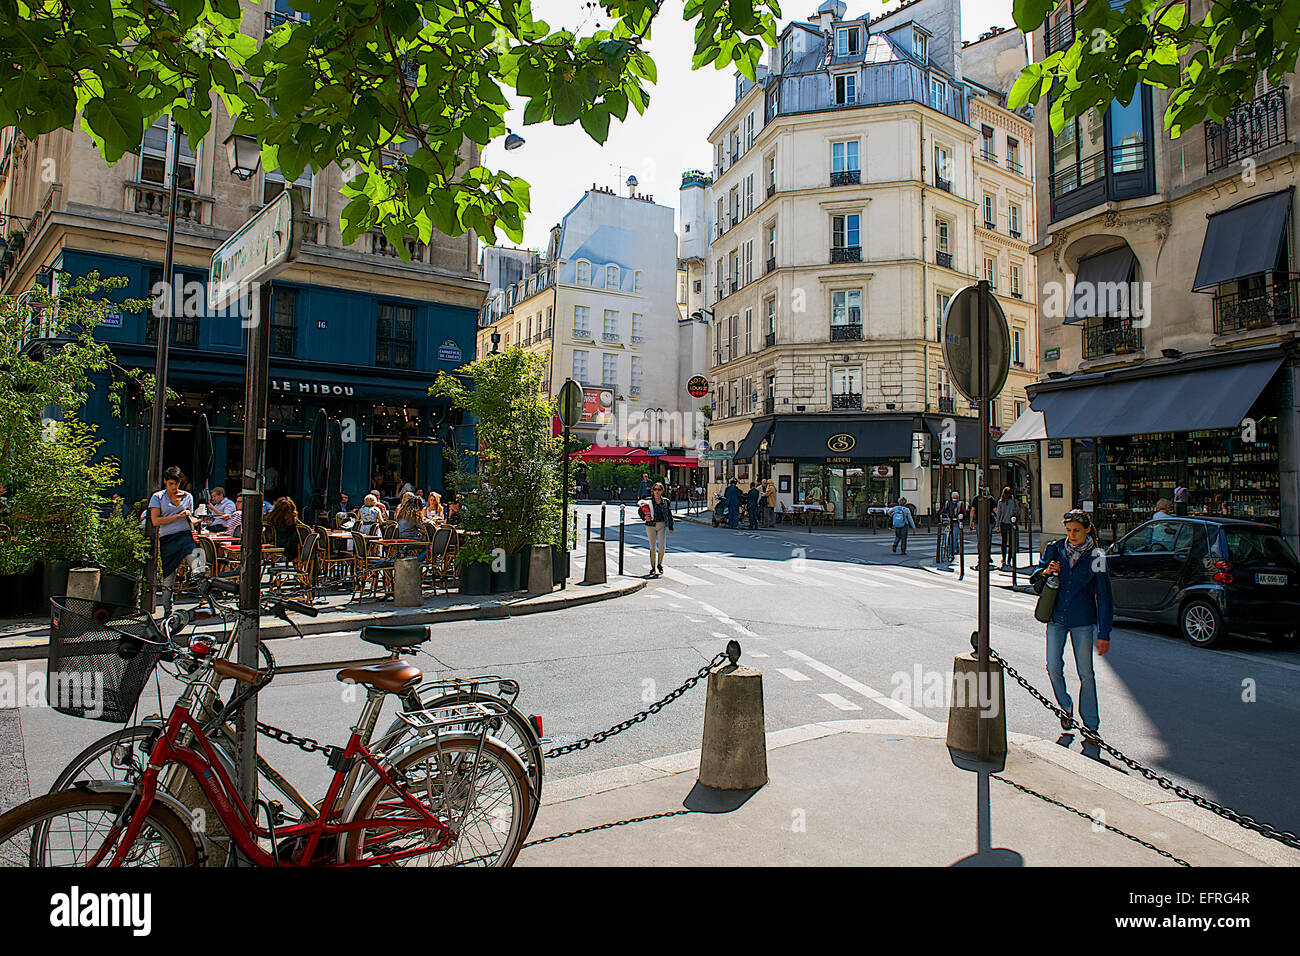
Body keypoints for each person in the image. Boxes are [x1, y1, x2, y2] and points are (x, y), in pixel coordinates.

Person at [1032, 509, 1113, 738]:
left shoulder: (1097, 556)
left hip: (1083, 621)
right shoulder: (1055, 549)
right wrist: (1047, 571)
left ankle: (1091, 723)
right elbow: (1037, 577)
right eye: (1068, 530)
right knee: (1053, 666)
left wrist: (1104, 632)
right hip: (1057, 617)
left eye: (1076, 530)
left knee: (1086, 673)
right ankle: (1065, 706)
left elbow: (1104, 595)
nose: (1072, 535)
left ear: (1087, 529)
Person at [149, 466, 199, 614]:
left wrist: (193, 518)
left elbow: (192, 519)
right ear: (165, 482)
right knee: (169, 575)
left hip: (185, 535)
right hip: (168, 538)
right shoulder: (158, 497)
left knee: (198, 565)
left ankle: (206, 599)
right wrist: (177, 516)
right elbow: (155, 521)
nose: (174, 487)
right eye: (171, 484)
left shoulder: (187, 496)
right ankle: (167, 609)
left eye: (176, 484)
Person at [644, 481, 674, 577]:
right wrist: (644, 517)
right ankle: (653, 567)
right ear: (652, 490)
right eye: (655, 489)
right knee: (652, 547)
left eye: (659, 489)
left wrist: (671, 526)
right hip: (651, 525)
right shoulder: (648, 501)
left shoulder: (665, 501)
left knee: (662, 547)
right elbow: (641, 510)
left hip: (661, 525)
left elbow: (669, 514)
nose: (657, 491)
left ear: (662, 491)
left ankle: (659, 564)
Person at [265, 496, 301, 562]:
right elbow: (304, 528)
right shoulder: (293, 520)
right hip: (291, 547)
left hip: (275, 544)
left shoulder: (271, 519)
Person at [996, 487, 1017, 571]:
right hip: (1011, 523)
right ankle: (1009, 560)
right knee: (1011, 542)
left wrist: (997, 525)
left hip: (1003, 523)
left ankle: (1003, 558)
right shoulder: (1014, 502)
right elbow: (1017, 511)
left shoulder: (1000, 502)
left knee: (1004, 542)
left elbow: (999, 514)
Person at [940, 491, 966, 556]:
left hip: (947, 521)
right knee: (955, 536)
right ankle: (954, 549)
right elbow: (964, 513)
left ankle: (950, 547)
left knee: (949, 535)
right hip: (956, 521)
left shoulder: (947, 503)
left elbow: (942, 511)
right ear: (958, 497)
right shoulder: (960, 503)